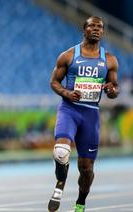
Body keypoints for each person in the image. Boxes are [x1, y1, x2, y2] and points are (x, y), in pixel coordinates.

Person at [48, 16, 119, 212]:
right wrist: (66, 93)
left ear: (103, 32)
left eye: (100, 27)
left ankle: (80, 204)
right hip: (69, 110)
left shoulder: (110, 60)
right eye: (92, 26)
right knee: (61, 151)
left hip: (91, 115)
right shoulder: (68, 56)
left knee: (86, 169)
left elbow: (114, 88)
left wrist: (112, 91)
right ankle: (60, 183)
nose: (96, 29)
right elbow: (54, 82)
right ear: (84, 29)